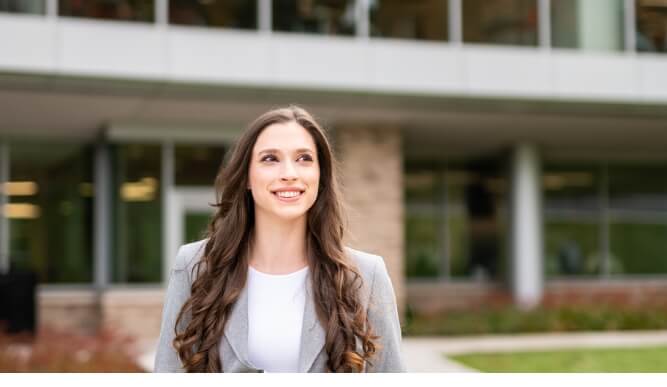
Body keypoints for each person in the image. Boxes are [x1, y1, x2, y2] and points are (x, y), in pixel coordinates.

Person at [154, 106, 405, 372]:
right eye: (270, 159)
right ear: (247, 177)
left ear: (320, 176)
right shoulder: (195, 266)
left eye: (304, 158)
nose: (289, 173)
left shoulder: (366, 275)